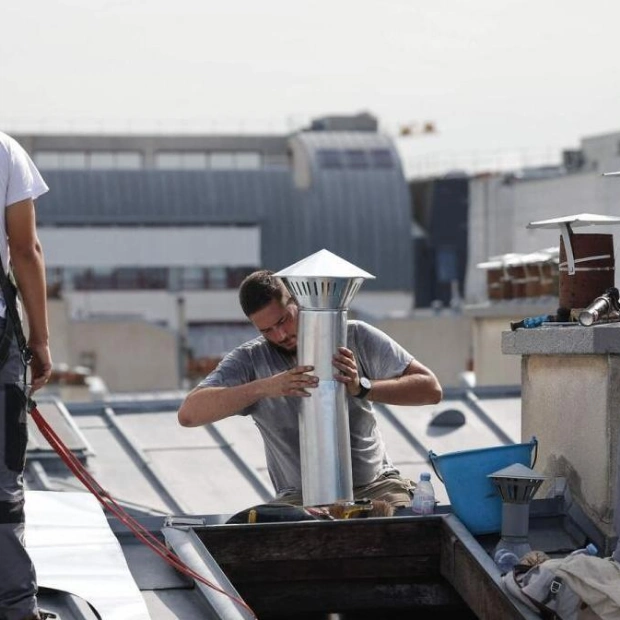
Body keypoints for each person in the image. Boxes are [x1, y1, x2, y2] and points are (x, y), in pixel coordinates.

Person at [178, 269, 442, 510]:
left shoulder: (355, 336)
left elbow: (430, 389)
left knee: (411, 526)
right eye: (267, 330)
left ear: (297, 303)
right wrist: (265, 388)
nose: (280, 335)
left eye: (284, 321)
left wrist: (362, 387)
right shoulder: (250, 359)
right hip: (298, 498)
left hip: (377, 485)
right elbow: (189, 414)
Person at [0, 131, 53, 620]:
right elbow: (24, 249)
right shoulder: (4, 150)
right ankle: (15, 608)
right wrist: (39, 338)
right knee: (2, 483)